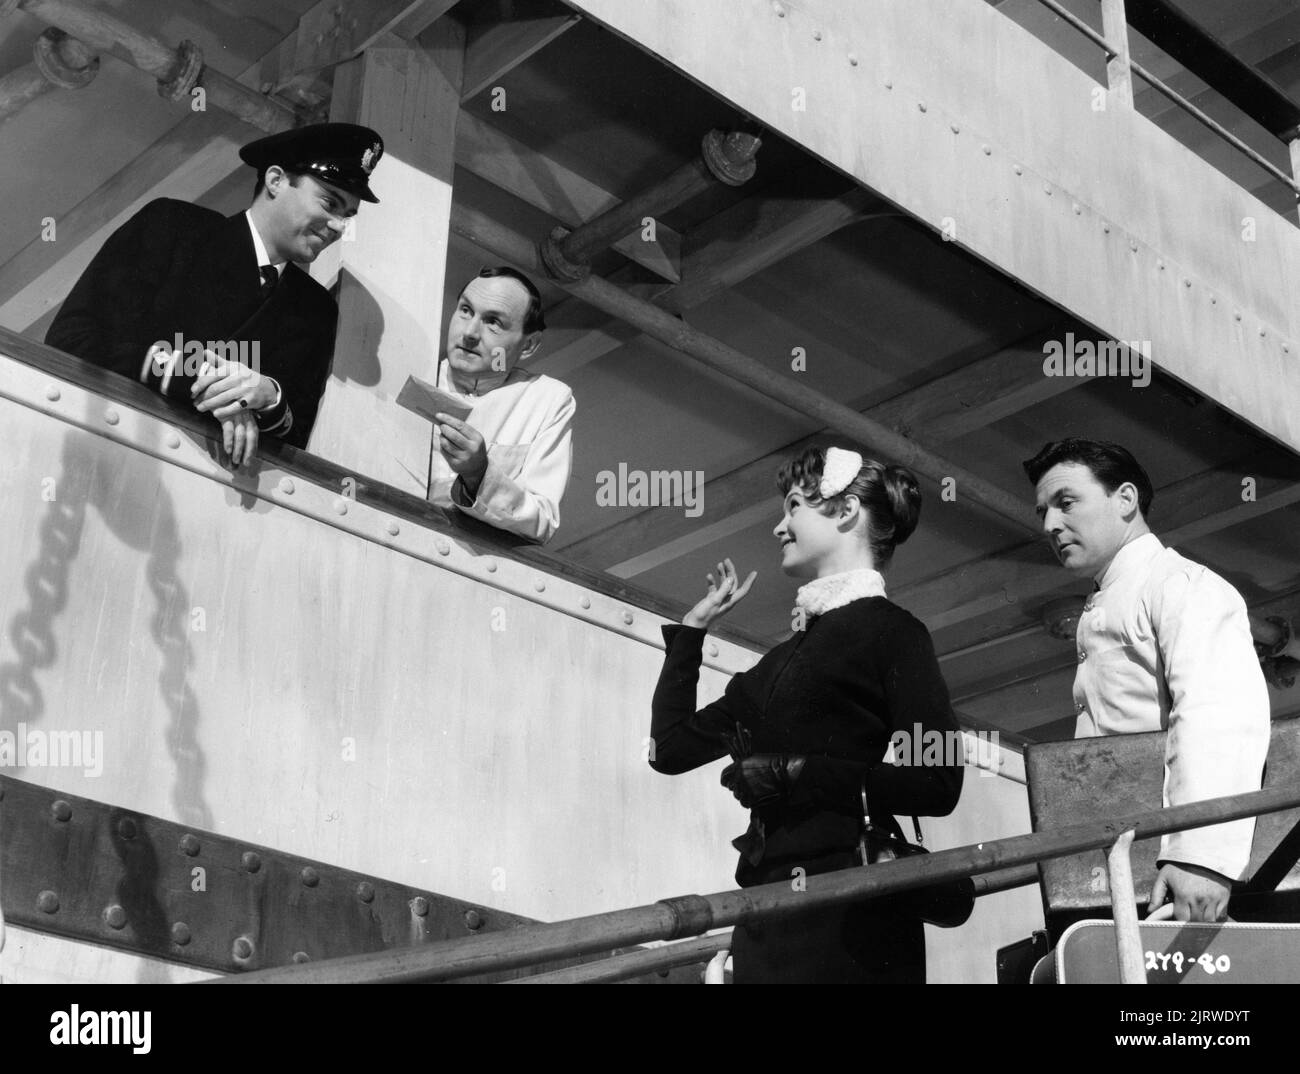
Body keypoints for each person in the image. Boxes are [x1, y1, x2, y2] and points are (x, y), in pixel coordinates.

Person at [649, 445, 964, 982]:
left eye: (793, 506)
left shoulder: (895, 633)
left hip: (854, 909)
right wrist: (691, 633)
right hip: (766, 913)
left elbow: (938, 779)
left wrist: (804, 773)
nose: (778, 526)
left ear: (844, 512)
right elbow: (669, 749)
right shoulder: (775, 667)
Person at [1024, 438, 1270, 923]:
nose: (1050, 524)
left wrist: (1201, 856)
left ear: (1126, 500)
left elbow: (1216, 714)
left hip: (1179, 880)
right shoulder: (1112, 598)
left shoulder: (1180, 584)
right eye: (1043, 511)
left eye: (1066, 502)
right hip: (1118, 872)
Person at [46, 122, 384, 465]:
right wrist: (206, 384)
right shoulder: (172, 227)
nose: (340, 226)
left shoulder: (317, 310)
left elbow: (294, 438)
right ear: (276, 180)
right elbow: (73, 338)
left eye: (348, 215)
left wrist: (269, 397)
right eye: (330, 202)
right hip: (105, 455)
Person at [426, 266, 574, 544]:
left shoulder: (546, 399)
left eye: (493, 322)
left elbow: (542, 521)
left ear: (529, 345)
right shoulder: (414, 370)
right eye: (466, 310)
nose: (469, 332)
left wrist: (479, 474)